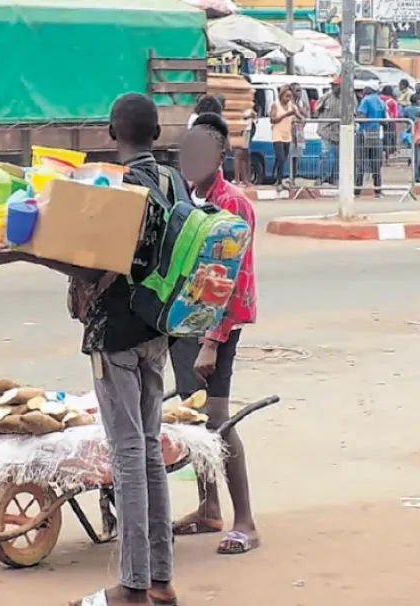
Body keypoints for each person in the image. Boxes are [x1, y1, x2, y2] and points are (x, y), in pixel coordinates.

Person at [0, 93, 179, 606]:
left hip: (116, 335)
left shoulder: (121, 187)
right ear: (157, 134)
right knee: (149, 452)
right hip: (157, 330)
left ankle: (133, 587)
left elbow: (93, 269)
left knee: (129, 454)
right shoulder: (171, 181)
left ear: (111, 133)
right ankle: (161, 580)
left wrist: (24, 254)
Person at [170, 112, 258, 555]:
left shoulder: (232, 204)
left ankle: (246, 522)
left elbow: (230, 279)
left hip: (217, 326)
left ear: (220, 155)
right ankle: (208, 508)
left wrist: (210, 343)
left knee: (218, 419)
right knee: (193, 418)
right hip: (184, 320)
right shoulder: (186, 196)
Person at [314, 76, 351, 185]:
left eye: (336, 85)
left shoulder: (347, 99)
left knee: (338, 157)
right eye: (333, 85)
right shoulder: (326, 97)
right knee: (324, 154)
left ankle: (335, 178)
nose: (334, 88)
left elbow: (352, 112)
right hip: (325, 130)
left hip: (339, 131)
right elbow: (316, 110)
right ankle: (320, 177)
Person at [355, 85, 387, 197]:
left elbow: (361, 117)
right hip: (376, 134)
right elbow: (384, 121)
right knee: (376, 164)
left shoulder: (366, 100)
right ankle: (377, 190)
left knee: (360, 163)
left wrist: (355, 117)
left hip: (363, 133)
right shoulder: (381, 102)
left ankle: (357, 190)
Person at [270, 86, 302, 190]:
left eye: (290, 96)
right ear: (281, 95)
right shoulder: (276, 105)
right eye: (286, 96)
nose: (288, 98)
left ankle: (275, 176)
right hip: (277, 134)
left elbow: (299, 116)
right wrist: (286, 114)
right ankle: (279, 181)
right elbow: (272, 120)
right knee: (281, 157)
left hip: (287, 134)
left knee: (282, 158)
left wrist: (300, 118)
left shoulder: (291, 105)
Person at [289, 82, 310, 185]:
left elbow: (307, 115)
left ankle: (293, 178)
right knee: (286, 156)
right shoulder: (288, 103)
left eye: (300, 90)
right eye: (297, 90)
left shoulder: (301, 103)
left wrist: (300, 108)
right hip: (289, 133)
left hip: (299, 133)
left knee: (296, 157)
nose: (299, 93)